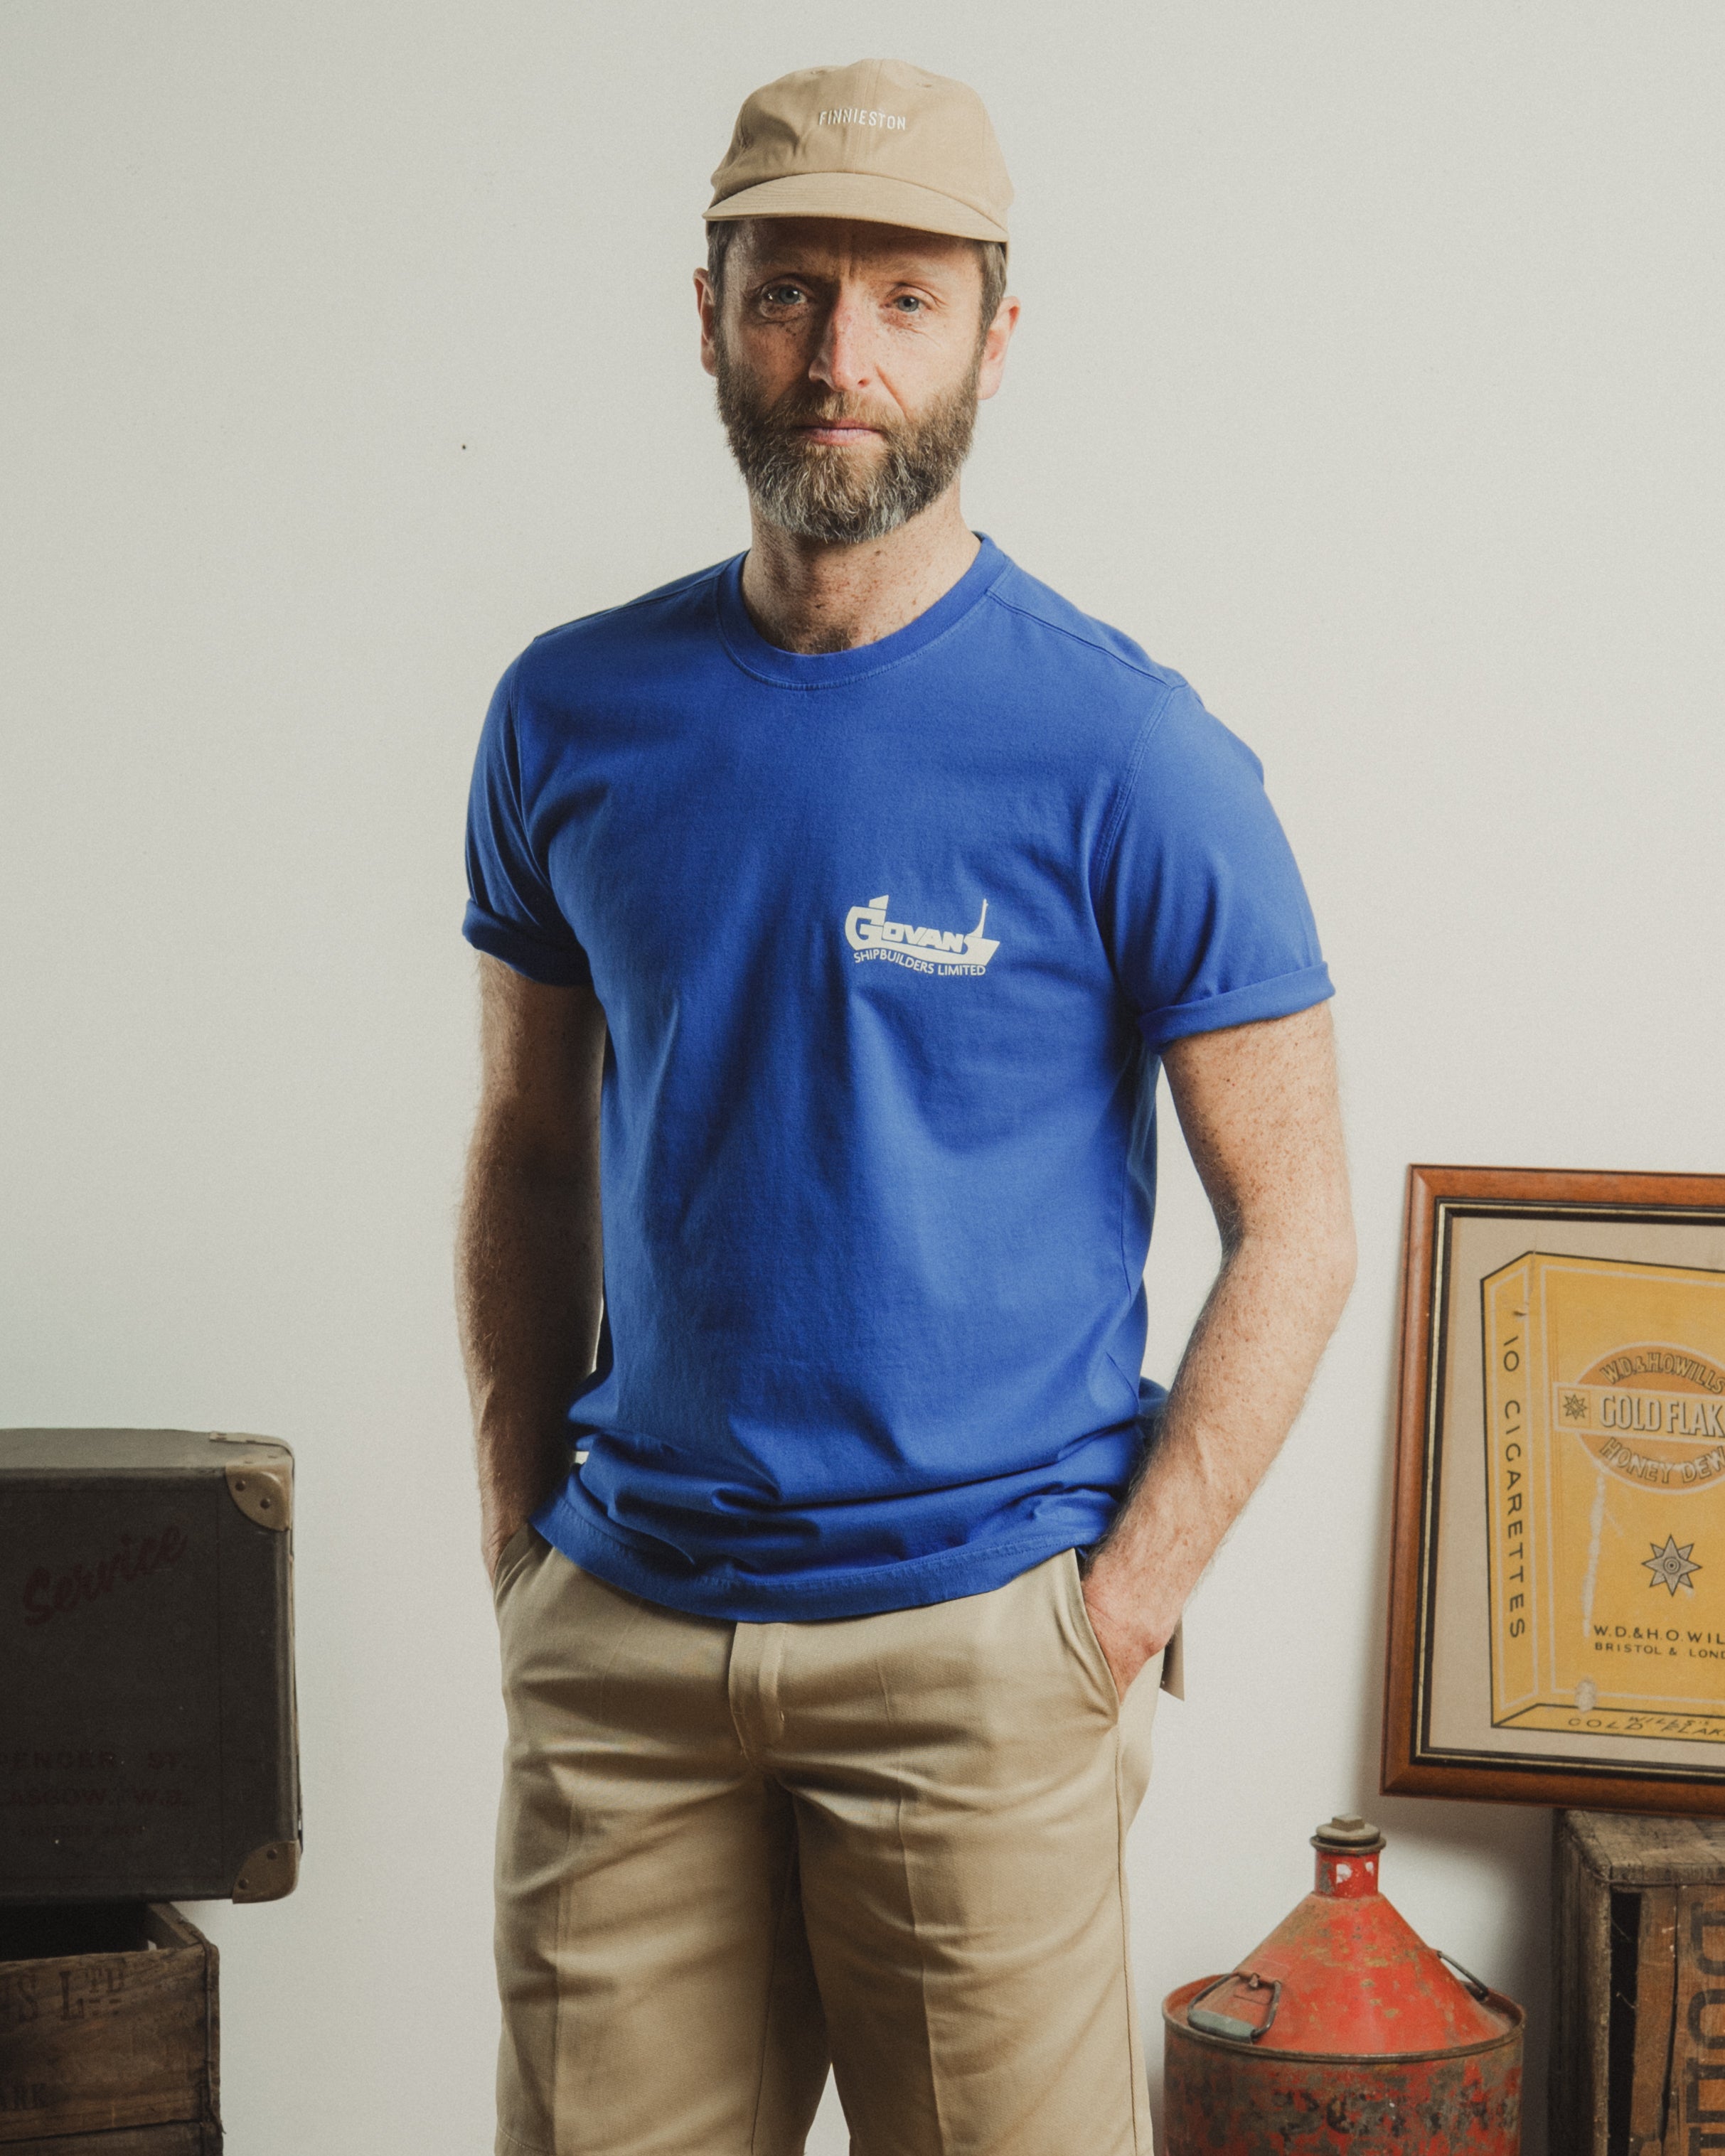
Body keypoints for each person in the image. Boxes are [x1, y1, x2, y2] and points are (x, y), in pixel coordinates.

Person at [457, 55, 1355, 2156]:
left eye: (901, 298)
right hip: (628, 1657)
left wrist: (1102, 1621)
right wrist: (521, 1553)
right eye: (786, 293)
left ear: (993, 335)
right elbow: (518, 1148)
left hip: (980, 1666)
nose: (836, 357)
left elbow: (1296, 1217)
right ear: (706, 315)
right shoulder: (567, 711)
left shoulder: (1130, 754)